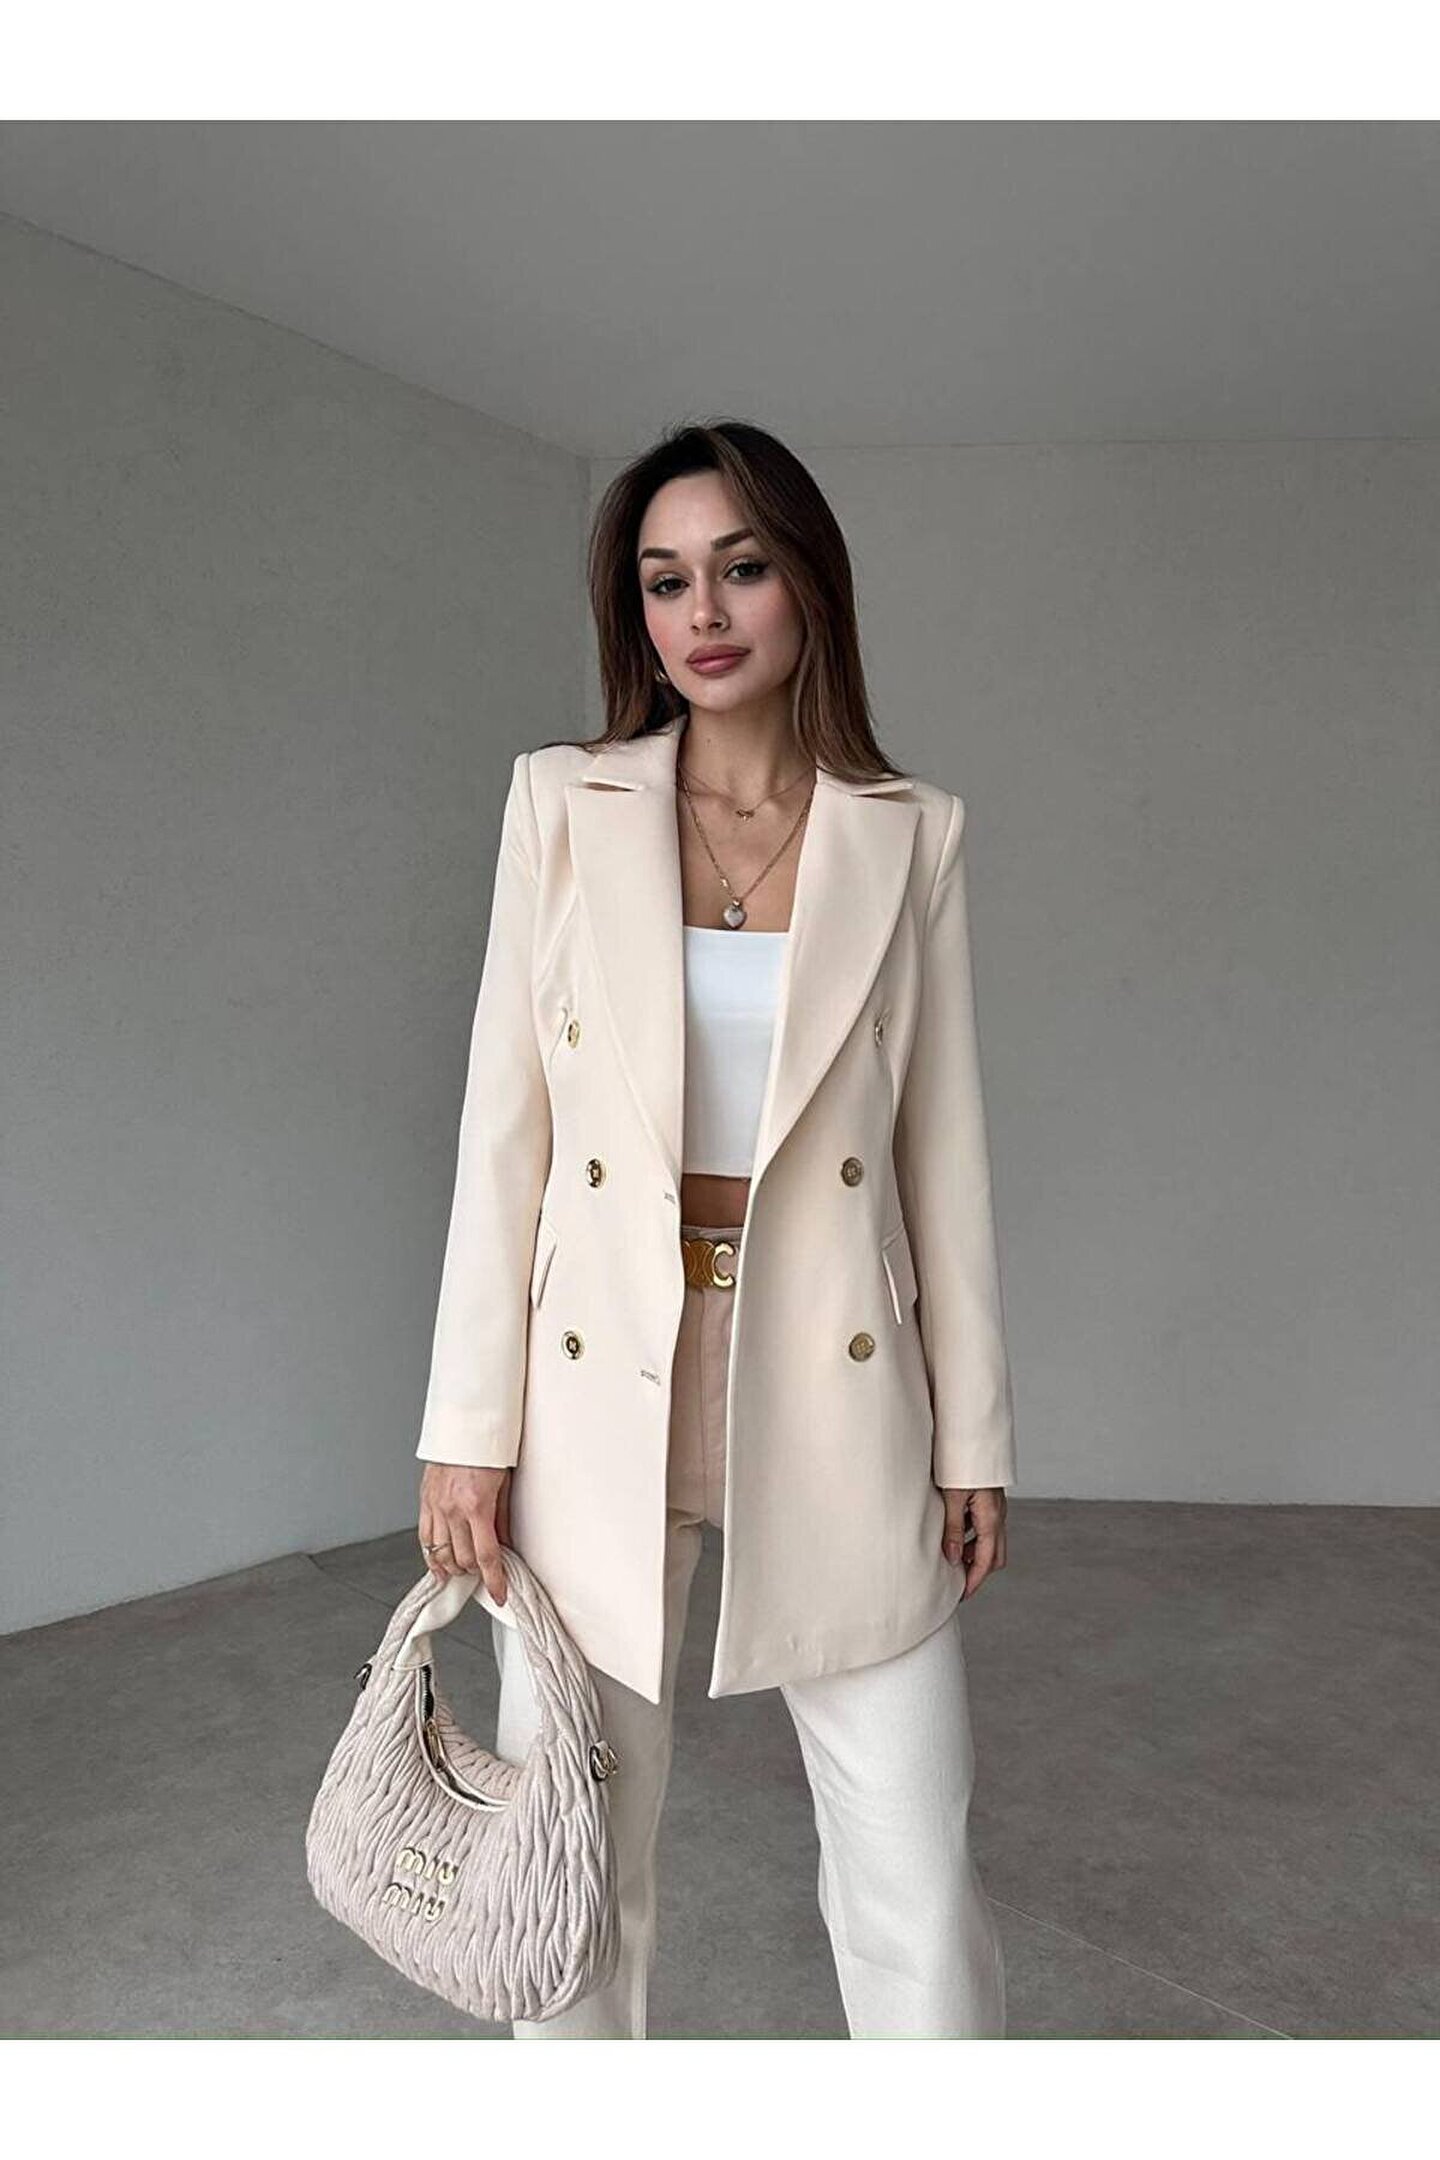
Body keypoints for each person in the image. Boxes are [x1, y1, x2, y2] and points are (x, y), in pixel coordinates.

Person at [414, 418, 1015, 2038]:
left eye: (741, 567)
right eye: (665, 579)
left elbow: (942, 1150)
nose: (704, 611)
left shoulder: (911, 831)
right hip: (595, 1370)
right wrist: (466, 1432)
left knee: (911, 1871)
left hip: (834, 1364)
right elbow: (503, 1139)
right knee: (574, 1852)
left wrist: (973, 1435)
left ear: (808, 581)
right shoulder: (562, 805)